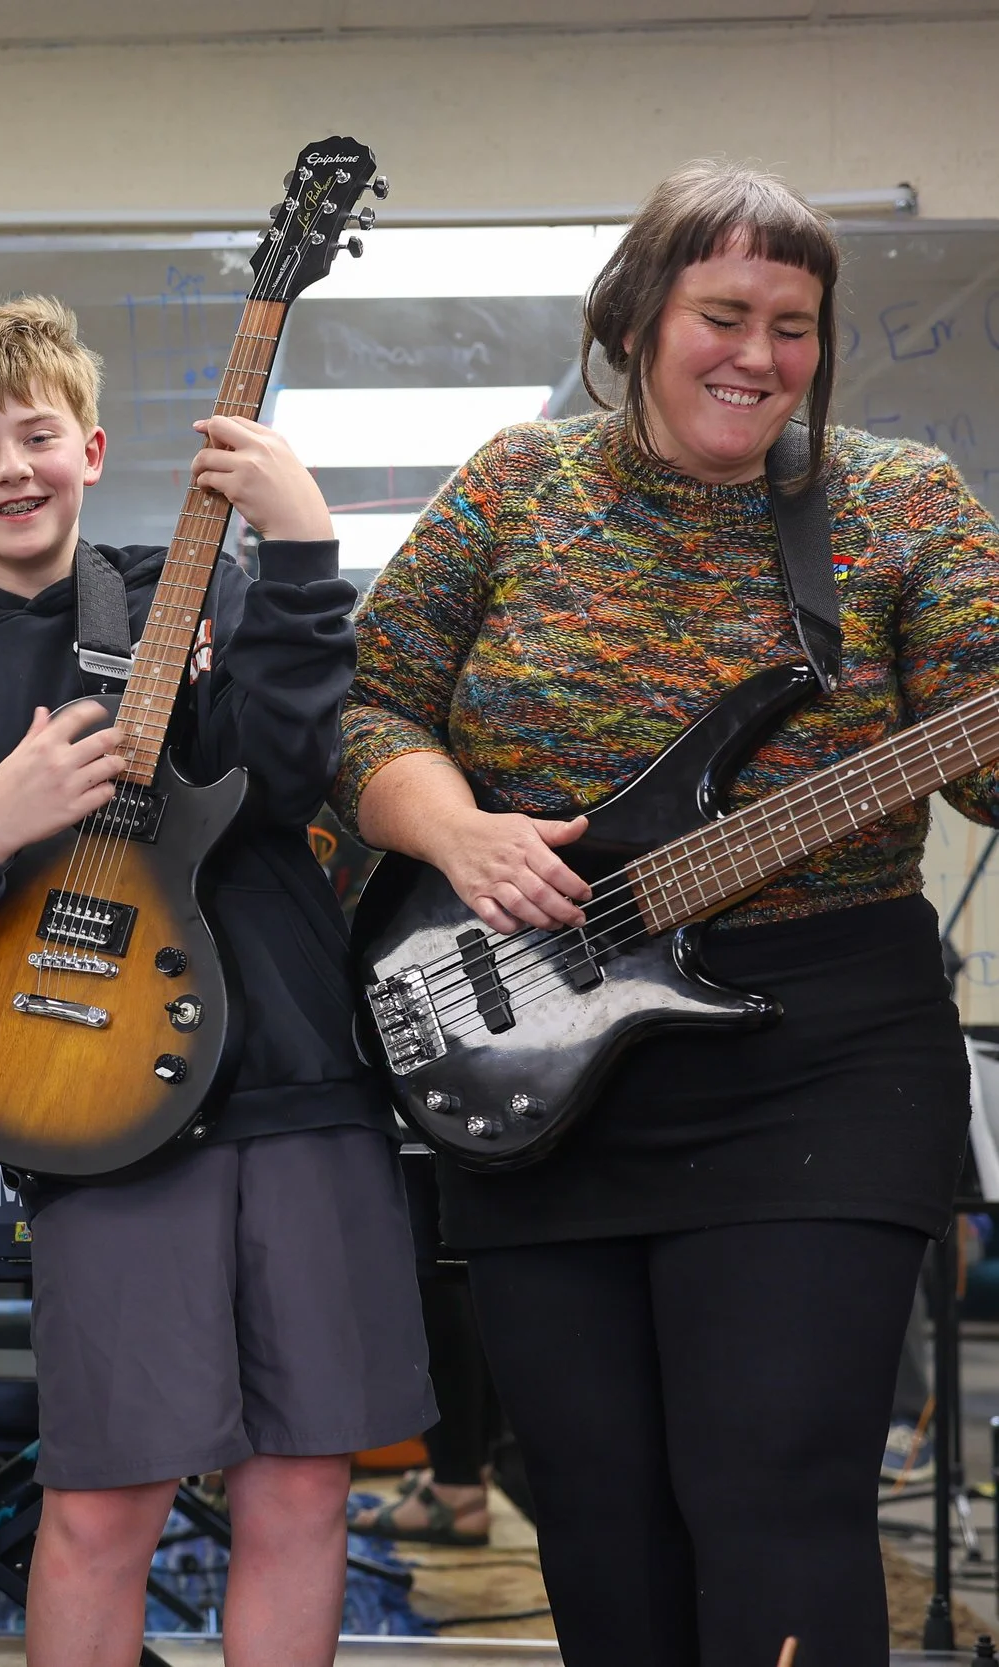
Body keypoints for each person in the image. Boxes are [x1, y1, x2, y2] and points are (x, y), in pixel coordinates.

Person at [337, 161, 999, 1663]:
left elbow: (987, 768)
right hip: (538, 1045)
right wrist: (454, 824)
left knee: (772, 1492)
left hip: (822, 1053)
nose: (758, 357)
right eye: (723, 313)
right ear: (636, 318)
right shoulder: (519, 487)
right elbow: (362, 704)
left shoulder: (902, 504)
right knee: (598, 1514)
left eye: (794, 324)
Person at [0, 296, 433, 1667]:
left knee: (303, 1483)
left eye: (38, 433)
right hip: (98, 1130)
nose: (13, 468)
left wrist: (298, 549)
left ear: (92, 446)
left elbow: (291, 777)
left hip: (300, 1090)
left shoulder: (193, 591)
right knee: (103, 1503)